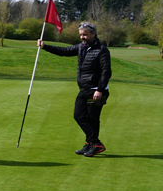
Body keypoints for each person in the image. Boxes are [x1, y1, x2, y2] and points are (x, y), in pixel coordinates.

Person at [38, 21, 111, 157]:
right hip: (85, 89)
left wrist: (100, 90)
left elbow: (106, 72)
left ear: (93, 34)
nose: (82, 37)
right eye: (81, 35)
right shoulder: (81, 47)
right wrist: (45, 46)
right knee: (79, 115)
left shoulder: (102, 50)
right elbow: (64, 51)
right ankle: (91, 143)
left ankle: (94, 143)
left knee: (93, 118)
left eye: (85, 35)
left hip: (96, 90)